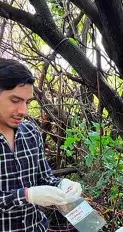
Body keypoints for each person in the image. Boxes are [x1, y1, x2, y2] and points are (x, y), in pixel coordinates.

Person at [0, 58, 82, 231]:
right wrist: (26, 195)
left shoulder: (31, 132)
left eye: (28, 102)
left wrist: (62, 184)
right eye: (15, 101)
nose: (23, 111)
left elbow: (44, 178)